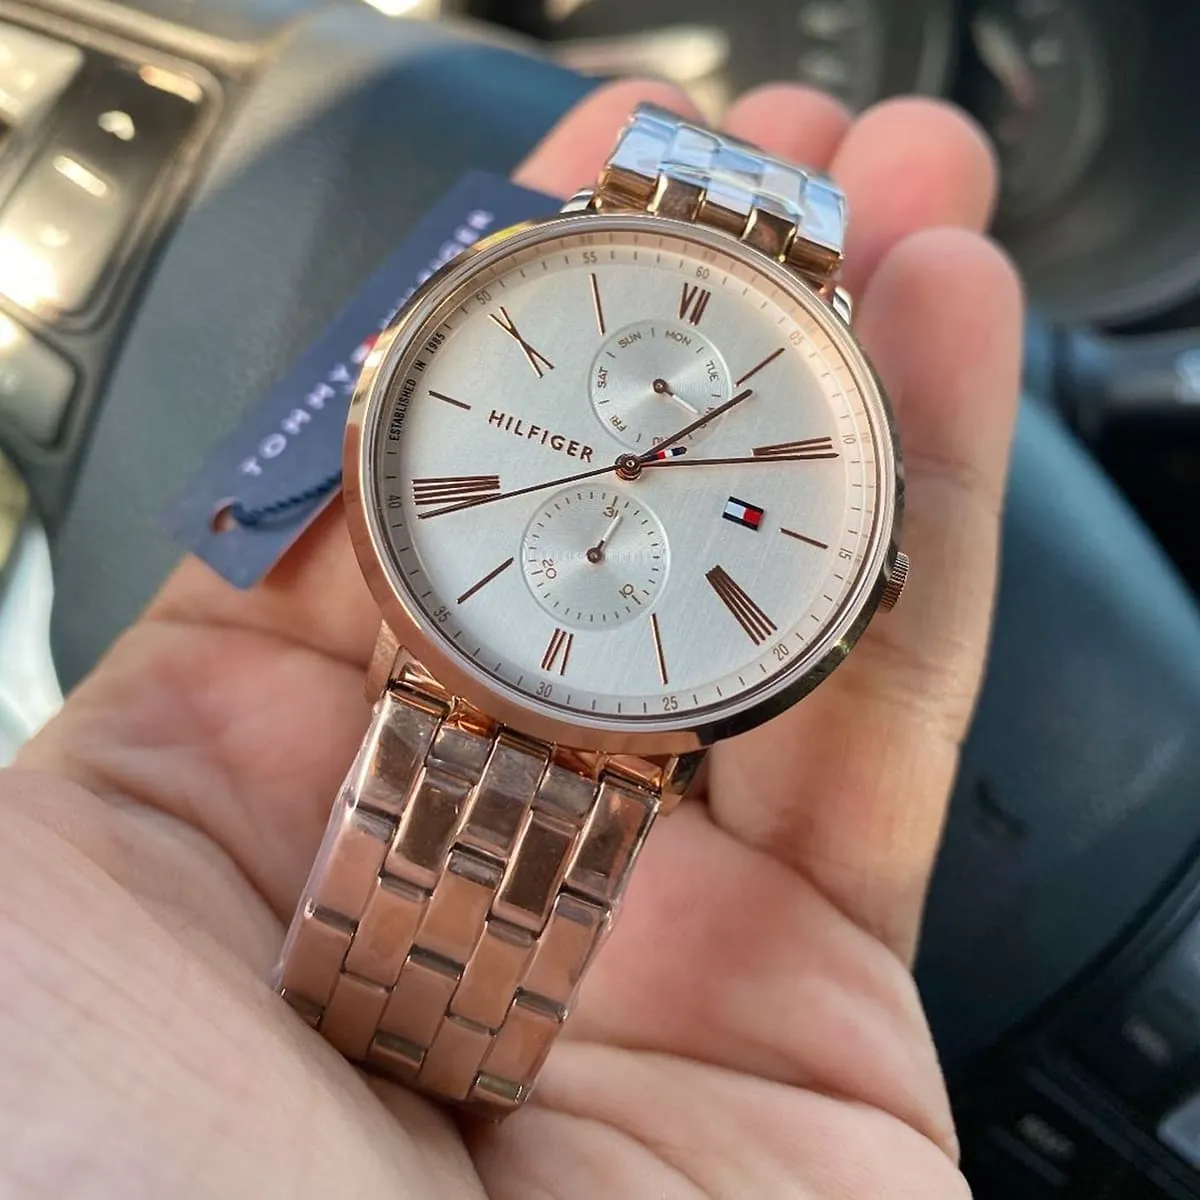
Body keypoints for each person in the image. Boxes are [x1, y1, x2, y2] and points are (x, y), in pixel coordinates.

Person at [1, 79, 1021, 1197]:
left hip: (616, 728)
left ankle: (428, 1044)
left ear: (873, 579)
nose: (631, 464)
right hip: (451, 658)